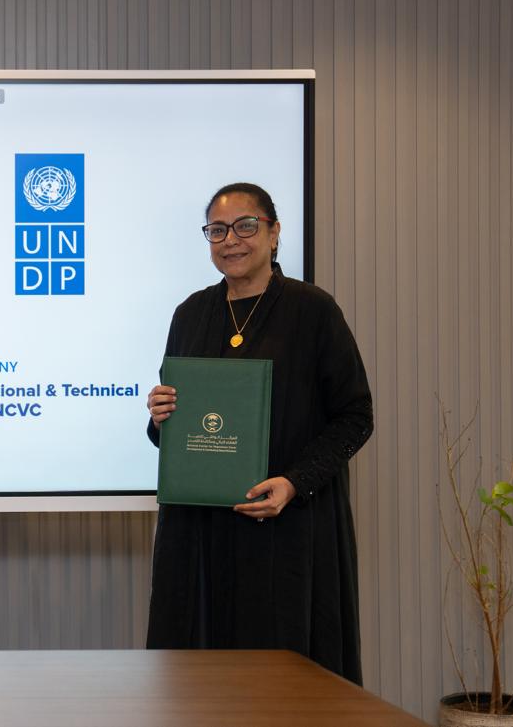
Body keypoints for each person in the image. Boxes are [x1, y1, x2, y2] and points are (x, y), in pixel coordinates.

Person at [144, 183, 373, 683]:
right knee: (197, 683)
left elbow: (356, 417)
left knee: (282, 685)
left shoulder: (313, 311)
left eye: (247, 226)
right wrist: (161, 415)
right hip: (199, 537)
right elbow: (170, 436)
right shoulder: (190, 313)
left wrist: (295, 482)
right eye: (217, 230)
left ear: (274, 233)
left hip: (285, 530)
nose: (231, 240)